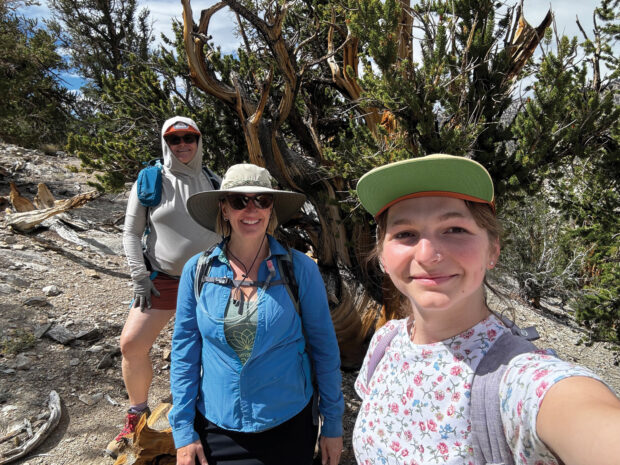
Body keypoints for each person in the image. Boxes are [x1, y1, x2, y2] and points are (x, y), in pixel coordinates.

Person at [353, 154, 620, 465]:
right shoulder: (384, 344)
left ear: (492, 250)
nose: (426, 255)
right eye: (404, 234)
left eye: (454, 229)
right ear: (384, 257)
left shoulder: (520, 381)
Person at [170, 163, 344, 465]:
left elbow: (324, 349)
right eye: (239, 201)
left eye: (261, 200)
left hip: (289, 423)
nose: (251, 209)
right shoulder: (196, 271)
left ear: (271, 208)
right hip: (217, 426)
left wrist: (333, 423)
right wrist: (183, 430)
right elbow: (185, 352)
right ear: (224, 209)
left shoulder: (300, 269)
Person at [105, 116, 221, 458]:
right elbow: (130, 233)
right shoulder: (151, 180)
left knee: (212, 349)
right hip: (163, 280)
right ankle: (137, 415)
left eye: (189, 138)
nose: (182, 145)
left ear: (199, 141)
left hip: (209, 279)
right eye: (174, 140)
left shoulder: (213, 181)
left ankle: (212, 416)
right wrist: (138, 275)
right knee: (131, 345)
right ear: (165, 143)